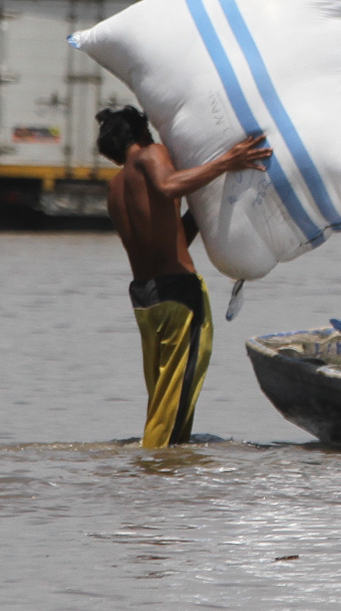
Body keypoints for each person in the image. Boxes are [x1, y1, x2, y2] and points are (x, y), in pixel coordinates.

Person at [97, 105, 270, 448]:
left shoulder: (116, 188)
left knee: (163, 397)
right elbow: (167, 186)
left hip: (146, 299)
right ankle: (155, 475)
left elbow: (171, 235)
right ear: (143, 132)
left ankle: (168, 480)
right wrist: (226, 162)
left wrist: (206, 202)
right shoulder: (151, 155)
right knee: (174, 402)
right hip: (179, 295)